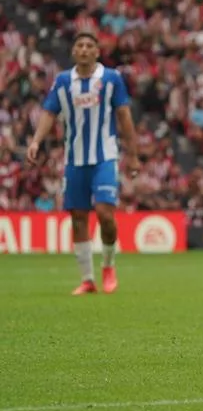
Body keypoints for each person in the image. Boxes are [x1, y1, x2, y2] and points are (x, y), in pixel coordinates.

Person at [27, 32, 139, 295]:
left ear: (97, 52)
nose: (85, 49)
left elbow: (124, 116)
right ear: (74, 51)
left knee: (104, 214)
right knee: (78, 217)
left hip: (104, 157)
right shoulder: (64, 81)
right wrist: (35, 141)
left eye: (90, 45)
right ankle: (88, 279)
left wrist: (132, 154)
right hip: (74, 160)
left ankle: (108, 265)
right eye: (80, 45)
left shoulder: (111, 79)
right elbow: (48, 112)